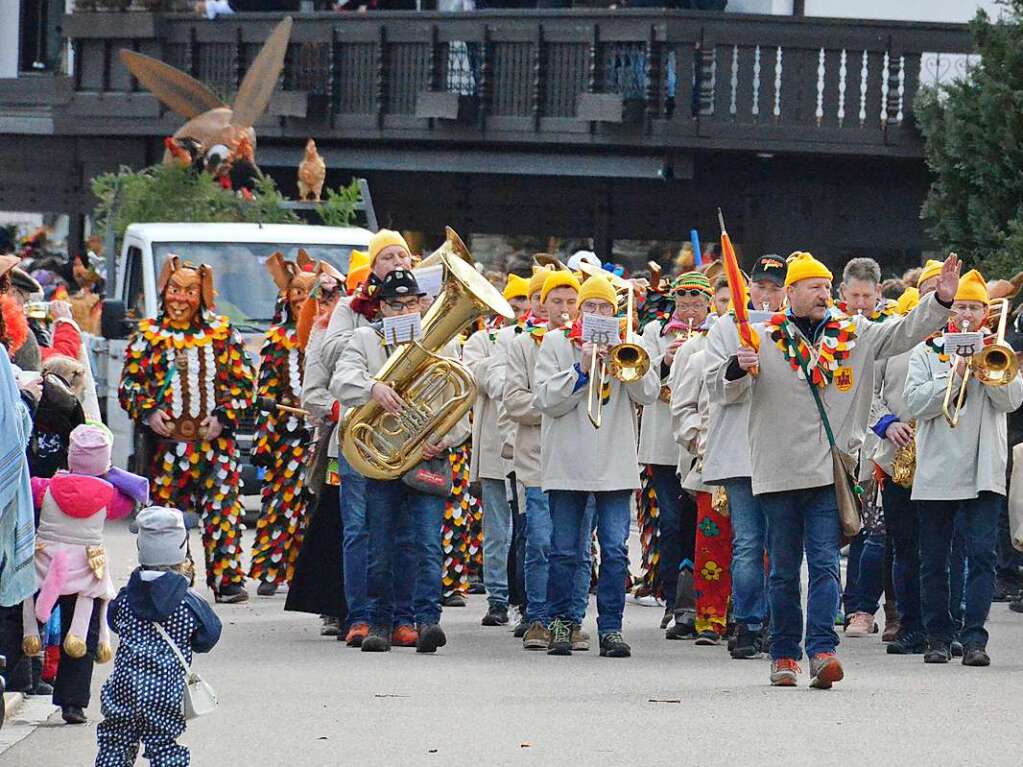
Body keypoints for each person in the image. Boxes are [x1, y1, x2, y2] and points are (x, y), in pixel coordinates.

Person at [723, 251, 959, 688]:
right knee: (783, 568)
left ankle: (821, 651)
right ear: (789, 292)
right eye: (813, 285)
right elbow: (726, 393)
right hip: (778, 470)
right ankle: (783, 655)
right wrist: (737, 367)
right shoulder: (761, 336)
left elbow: (904, 332)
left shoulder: (855, 333)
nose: (823, 292)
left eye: (827, 286)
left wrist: (940, 303)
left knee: (827, 563)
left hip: (831, 472)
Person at [330, 269, 468, 654]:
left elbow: (461, 405)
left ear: (423, 305)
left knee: (424, 544)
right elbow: (341, 382)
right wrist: (372, 388)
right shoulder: (363, 339)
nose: (404, 310)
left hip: (424, 457)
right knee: (380, 545)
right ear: (382, 308)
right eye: (395, 304)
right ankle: (378, 621)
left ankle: (425, 621)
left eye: (411, 303)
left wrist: (440, 440)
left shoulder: (441, 344)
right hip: (381, 459)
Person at [534, 274, 660, 658]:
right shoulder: (556, 342)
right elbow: (544, 399)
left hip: (615, 464)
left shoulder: (631, 342)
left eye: (605, 307)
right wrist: (582, 369)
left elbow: (649, 393)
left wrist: (624, 357)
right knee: (565, 549)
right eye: (591, 306)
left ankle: (611, 628)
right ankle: (561, 623)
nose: (598, 312)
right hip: (567, 463)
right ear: (580, 310)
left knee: (615, 550)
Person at [118, 256, 256, 604]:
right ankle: (172, 576)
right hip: (166, 448)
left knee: (223, 511)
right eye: (175, 290)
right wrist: (149, 413)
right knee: (165, 517)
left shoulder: (223, 334)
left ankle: (226, 580)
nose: (180, 299)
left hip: (214, 445)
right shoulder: (147, 335)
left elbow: (244, 384)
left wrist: (223, 417)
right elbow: (129, 386)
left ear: (203, 294)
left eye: (190, 291)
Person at [905, 269, 1023, 666]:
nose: (968, 315)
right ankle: (938, 636)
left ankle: (975, 638)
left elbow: (1012, 402)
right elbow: (914, 404)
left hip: (983, 470)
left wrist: (986, 369)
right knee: (934, 559)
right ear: (949, 313)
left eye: (975, 307)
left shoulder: (999, 349)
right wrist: (953, 376)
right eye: (961, 307)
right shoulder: (926, 350)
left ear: (986, 314)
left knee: (982, 556)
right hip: (937, 470)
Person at [317, 231, 413, 647]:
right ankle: (358, 615)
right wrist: (369, 320)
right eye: (387, 256)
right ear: (373, 266)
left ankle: (397, 616)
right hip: (358, 435)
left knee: (399, 529)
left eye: (402, 255)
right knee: (358, 530)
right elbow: (328, 357)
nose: (395, 261)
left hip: (403, 439)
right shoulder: (350, 310)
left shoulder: (418, 304)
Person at [702, 254, 787, 659]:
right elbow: (713, 386)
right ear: (748, 287)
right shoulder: (724, 326)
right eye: (761, 286)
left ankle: (779, 620)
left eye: (775, 287)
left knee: (782, 543)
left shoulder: (791, 326)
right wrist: (736, 367)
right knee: (749, 544)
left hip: (782, 451)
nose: (766, 294)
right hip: (739, 451)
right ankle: (749, 623)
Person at [94, 506, 222, 767]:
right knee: (164, 746)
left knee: (115, 741)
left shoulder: (126, 598)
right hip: (166, 690)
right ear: (181, 549)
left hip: (124, 686)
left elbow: (114, 622)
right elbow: (208, 636)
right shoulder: (189, 602)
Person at [503, 269, 589, 651]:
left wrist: (561, 401)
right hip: (538, 458)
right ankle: (537, 617)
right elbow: (516, 401)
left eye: (572, 302)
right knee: (540, 540)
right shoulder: (525, 344)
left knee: (581, 546)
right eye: (557, 301)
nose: (564, 309)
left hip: (581, 459)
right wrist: (558, 406)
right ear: (542, 303)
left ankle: (573, 619)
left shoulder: (591, 343)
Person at [247, 252, 338, 596]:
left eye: (308, 292)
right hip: (289, 438)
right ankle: (271, 569)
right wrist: (263, 444)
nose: (302, 299)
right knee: (282, 502)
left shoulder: (334, 334)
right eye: (295, 293)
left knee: (321, 505)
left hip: (328, 433)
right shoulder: (277, 340)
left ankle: (310, 574)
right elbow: (266, 394)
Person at [867, 267, 942, 655]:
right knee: (904, 545)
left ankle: (945, 626)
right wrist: (887, 423)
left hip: (946, 459)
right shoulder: (894, 338)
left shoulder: (962, 341)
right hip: (899, 456)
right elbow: (868, 391)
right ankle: (908, 622)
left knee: (943, 548)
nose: (938, 300)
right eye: (930, 292)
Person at [639, 272, 712, 636]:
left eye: (697, 304)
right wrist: (665, 362)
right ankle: (673, 599)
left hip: (700, 446)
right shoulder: (654, 332)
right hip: (663, 442)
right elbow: (639, 379)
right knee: (670, 523)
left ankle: (703, 599)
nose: (690, 311)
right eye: (683, 304)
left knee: (698, 523)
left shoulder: (716, 333)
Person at [460, 274, 528, 627]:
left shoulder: (536, 339)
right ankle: (497, 598)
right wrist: (504, 363)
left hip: (528, 451)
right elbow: (473, 377)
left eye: (524, 304)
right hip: (491, 450)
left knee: (525, 529)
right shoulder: (481, 339)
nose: (519, 311)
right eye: (514, 305)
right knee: (498, 531)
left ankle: (522, 599)